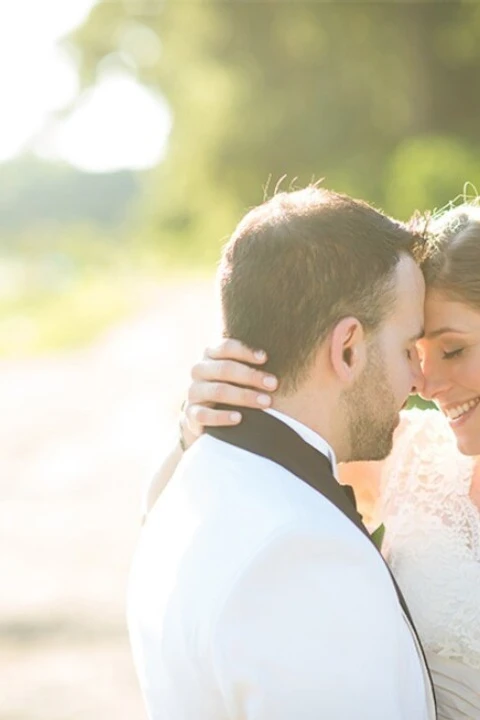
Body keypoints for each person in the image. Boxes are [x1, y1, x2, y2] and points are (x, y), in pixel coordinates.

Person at [148, 202, 480, 720]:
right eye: (415, 352)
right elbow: (244, 492)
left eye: (454, 351)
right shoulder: (413, 457)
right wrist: (202, 423)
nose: (427, 386)